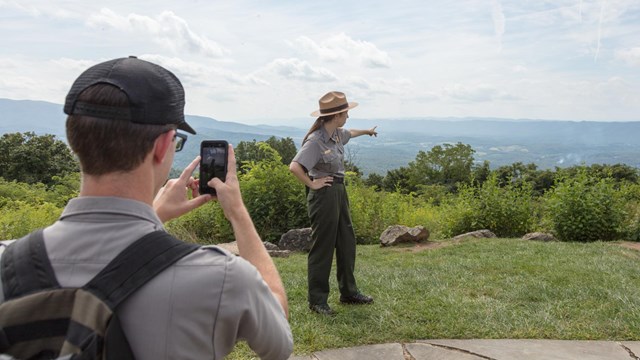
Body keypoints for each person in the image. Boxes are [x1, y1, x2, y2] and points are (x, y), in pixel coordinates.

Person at [0, 57, 293, 359]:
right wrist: (237, 212)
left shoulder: (6, 262)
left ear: (75, 140)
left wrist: (156, 214)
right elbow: (279, 339)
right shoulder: (221, 277)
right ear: (164, 145)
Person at [289, 91, 378, 316]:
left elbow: (351, 132)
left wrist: (367, 131)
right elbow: (294, 166)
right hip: (324, 195)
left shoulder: (337, 134)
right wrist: (312, 183)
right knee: (324, 247)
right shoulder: (316, 141)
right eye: (346, 112)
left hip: (339, 190)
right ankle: (317, 301)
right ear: (336, 115)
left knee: (347, 241)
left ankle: (349, 292)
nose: (348, 116)